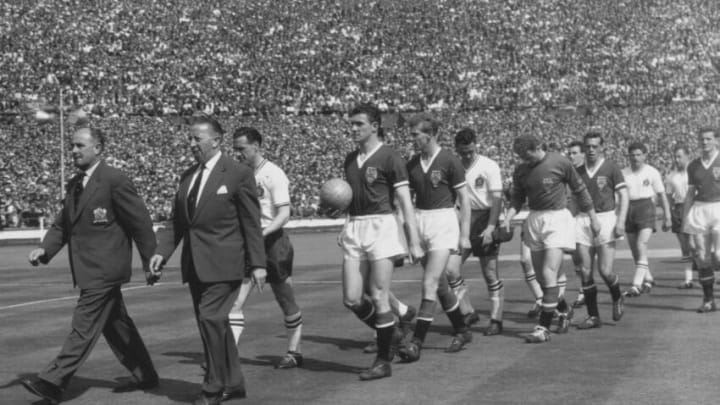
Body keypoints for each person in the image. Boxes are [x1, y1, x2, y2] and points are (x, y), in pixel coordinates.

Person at [22, 128, 159, 404]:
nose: (73, 150)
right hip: (88, 268)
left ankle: (52, 380)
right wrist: (45, 249)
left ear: (97, 148)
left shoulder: (114, 180)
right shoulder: (75, 183)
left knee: (84, 324)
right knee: (116, 325)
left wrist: (150, 262)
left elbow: (140, 223)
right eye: (72, 145)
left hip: (105, 269)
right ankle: (146, 374)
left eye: (79, 145)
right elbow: (63, 223)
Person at [150, 116, 266, 404]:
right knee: (218, 325)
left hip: (225, 262)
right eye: (189, 139)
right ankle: (235, 382)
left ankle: (213, 386)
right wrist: (161, 252)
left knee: (210, 319)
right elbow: (178, 222)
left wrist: (259, 264)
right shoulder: (188, 176)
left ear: (215, 141)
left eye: (196, 139)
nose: (190, 144)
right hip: (195, 264)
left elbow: (251, 222)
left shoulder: (237, 173)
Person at [337, 103, 423, 380]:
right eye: (351, 124)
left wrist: (413, 240)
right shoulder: (350, 159)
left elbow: (405, 203)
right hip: (355, 228)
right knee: (351, 298)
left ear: (375, 126)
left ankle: (382, 361)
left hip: (382, 225)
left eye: (358, 124)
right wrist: (345, 224)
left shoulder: (390, 158)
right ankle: (393, 333)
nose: (353, 129)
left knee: (378, 294)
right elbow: (349, 200)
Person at [503, 134, 599, 343]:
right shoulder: (521, 170)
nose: (524, 160)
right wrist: (509, 217)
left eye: (526, 155)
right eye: (520, 156)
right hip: (535, 219)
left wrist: (592, 217)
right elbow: (517, 197)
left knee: (548, 273)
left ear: (537, 146)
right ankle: (563, 310)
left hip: (557, 219)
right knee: (541, 278)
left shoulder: (559, 162)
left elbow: (580, 190)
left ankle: (543, 329)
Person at [397, 116, 472, 363]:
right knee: (439, 286)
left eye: (416, 134)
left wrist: (464, 235)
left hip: (443, 222)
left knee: (429, 283)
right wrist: (411, 238)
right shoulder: (412, 164)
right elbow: (406, 204)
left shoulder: (450, 160)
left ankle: (416, 342)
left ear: (431, 134)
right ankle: (462, 330)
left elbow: (464, 200)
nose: (412, 139)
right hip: (420, 220)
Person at [228, 126, 304, 369]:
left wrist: (262, 233)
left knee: (285, 298)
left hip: (273, 243)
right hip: (248, 244)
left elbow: (283, 214)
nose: (238, 153)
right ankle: (226, 358)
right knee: (235, 302)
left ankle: (294, 351)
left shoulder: (274, 174)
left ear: (256, 146)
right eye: (235, 149)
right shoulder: (236, 174)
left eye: (241, 148)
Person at [444, 127, 506, 336]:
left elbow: (497, 199)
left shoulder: (489, 165)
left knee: (489, 273)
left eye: (470, 151)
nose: (468, 155)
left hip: (484, 218)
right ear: (457, 149)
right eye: (463, 152)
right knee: (451, 269)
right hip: (462, 220)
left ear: (476, 145)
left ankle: (496, 319)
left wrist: (490, 227)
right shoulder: (453, 166)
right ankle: (468, 310)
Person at [573, 132, 629, 329]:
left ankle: (617, 295)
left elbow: (624, 194)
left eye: (595, 146)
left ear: (602, 147)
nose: (591, 150)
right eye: (588, 146)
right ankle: (593, 316)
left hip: (606, 219)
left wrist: (621, 221)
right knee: (585, 271)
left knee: (605, 271)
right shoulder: (577, 170)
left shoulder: (611, 168)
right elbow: (574, 199)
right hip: (582, 220)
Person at [622, 142, 672, 297]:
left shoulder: (652, 172)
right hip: (629, 209)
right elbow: (618, 197)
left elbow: (662, 195)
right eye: (632, 155)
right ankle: (648, 278)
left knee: (641, 243)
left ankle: (636, 284)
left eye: (638, 155)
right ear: (628, 156)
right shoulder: (623, 173)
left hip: (646, 207)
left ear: (644, 155)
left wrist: (667, 216)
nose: (635, 158)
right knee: (635, 250)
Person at [682, 127, 720, 313]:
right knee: (702, 257)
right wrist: (684, 219)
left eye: (708, 139)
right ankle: (709, 300)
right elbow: (690, 193)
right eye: (702, 139)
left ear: (716, 140)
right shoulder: (693, 165)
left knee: (718, 256)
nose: (705, 142)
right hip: (699, 209)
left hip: (719, 207)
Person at [665, 145, 695, 288]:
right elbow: (669, 196)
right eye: (675, 157)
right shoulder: (671, 176)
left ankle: (709, 274)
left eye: (679, 156)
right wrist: (669, 215)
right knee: (685, 247)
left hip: (695, 208)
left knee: (698, 246)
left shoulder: (695, 171)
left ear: (688, 155)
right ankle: (688, 279)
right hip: (679, 209)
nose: (677, 160)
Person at [567, 140, 587, 308]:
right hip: (573, 219)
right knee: (577, 259)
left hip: (589, 218)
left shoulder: (588, 171)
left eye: (575, 153)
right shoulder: (568, 172)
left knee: (601, 266)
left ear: (583, 153)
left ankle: (586, 290)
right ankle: (584, 290)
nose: (571, 156)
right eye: (570, 153)